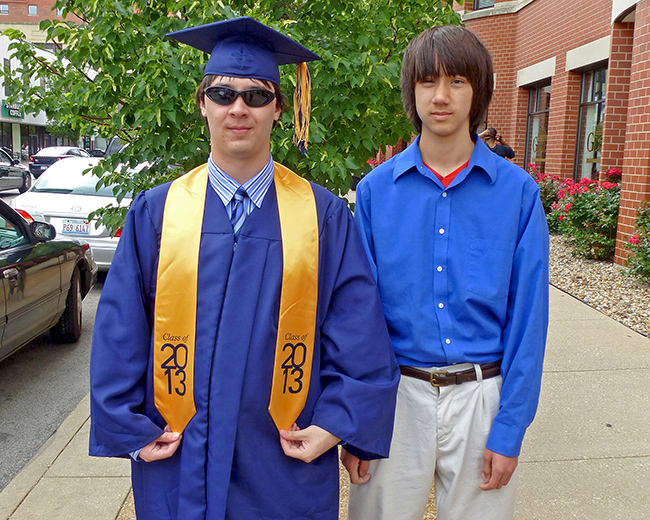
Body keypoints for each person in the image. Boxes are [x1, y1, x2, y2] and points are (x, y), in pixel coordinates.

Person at [89, 17, 399, 520]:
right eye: (223, 93)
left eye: (256, 96)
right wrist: (129, 432)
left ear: (279, 108)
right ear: (202, 104)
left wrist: (337, 424)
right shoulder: (158, 212)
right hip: (179, 455)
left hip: (282, 458)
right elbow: (120, 330)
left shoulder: (321, 217)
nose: (239, 107)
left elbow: (358, 332)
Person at [342, 25, 549, 520]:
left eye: (457, 81)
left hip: (481, 398)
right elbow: (356, 318)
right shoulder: (374, 194)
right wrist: (358, 422)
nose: (441, 96)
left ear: (478, 92)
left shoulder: (517, 195)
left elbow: (529, 323)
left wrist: (510, 428)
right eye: (427, 82)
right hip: (394, 399)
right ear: (411, 92)